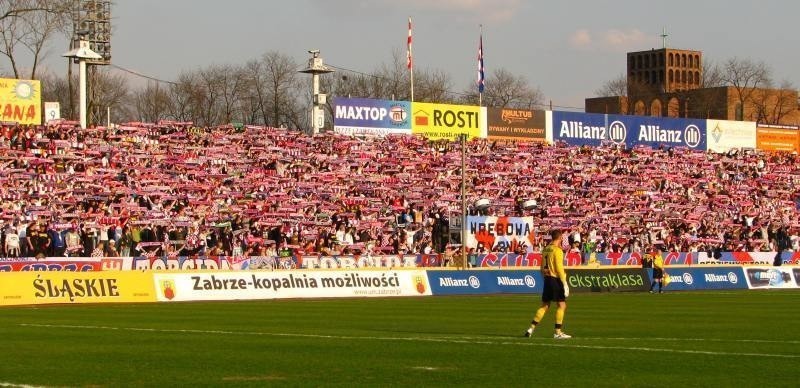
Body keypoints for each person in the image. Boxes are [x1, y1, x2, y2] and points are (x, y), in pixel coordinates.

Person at [524, 229, 571, 339]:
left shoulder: (546, 249)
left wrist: (546, 277)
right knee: (562, 305)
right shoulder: (557, 250)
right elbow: (559, 268)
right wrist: (564, 283)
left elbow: (541, 268)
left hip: (547, 279)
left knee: (544, 305)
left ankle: (531, 328)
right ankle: (557, 332)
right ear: (560, 238)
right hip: (555, 279)